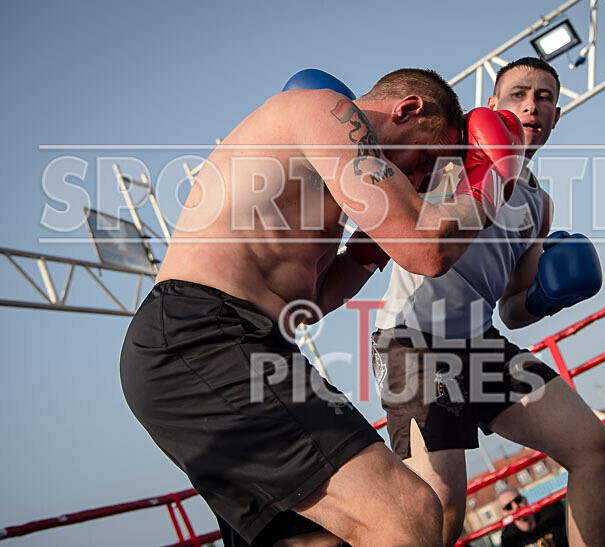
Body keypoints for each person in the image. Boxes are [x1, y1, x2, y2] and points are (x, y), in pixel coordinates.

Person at [120, 67, 527, 547]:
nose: (419, 180)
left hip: (224, 344)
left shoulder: (321, 186)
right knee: (408, 513)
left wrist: (372, 248)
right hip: (204, 336)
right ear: (410, 109)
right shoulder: (327, 112)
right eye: (424, 160)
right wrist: (493, 181)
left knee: (322, 539)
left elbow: (312, 303)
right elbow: (428, 250)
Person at [371, 57, 605, 546]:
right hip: (413, 340)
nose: (532, 106)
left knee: (598, 451)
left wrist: (551, 294)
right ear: (491, 106)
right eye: (518, 94)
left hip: (481, 344)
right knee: (438, 509)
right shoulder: (453, 151)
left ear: (555, 117)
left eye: (544, 98)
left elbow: (511, 307)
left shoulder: (538, 204)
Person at [498, 488, 567, 547]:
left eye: (517, 500)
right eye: (508, 507)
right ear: (504, 513)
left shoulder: (552, 514)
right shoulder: (508, 537)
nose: (516, 507)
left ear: (524, 499)